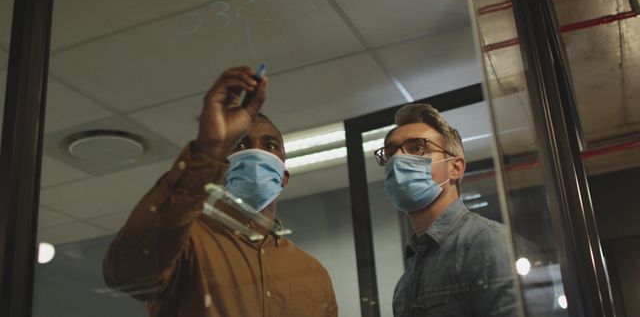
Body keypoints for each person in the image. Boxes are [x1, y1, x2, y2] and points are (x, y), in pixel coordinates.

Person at [103, 66, 338, 317]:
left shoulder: (313, 273)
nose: (256, 153)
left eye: (269, 146)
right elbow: (126, 272)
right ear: (226, 166)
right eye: (241, 144)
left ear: (284, 177)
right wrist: (209, 150)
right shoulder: (185, 242)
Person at [376, 103, 543, 316]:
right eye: (391, 153)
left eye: (417, 148)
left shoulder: (487, 244)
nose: (397, 160)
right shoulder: (407, 280)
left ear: (455, 168)